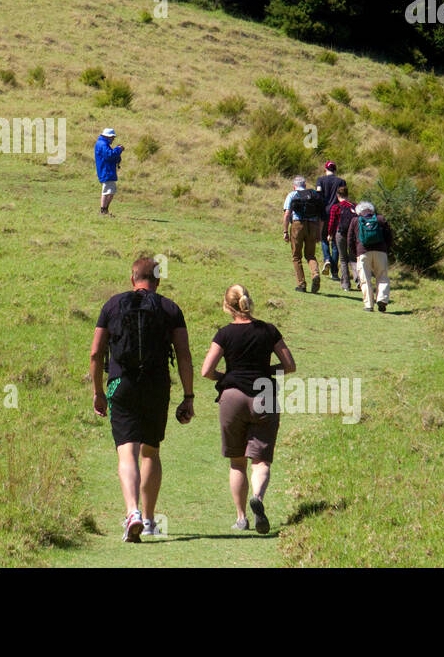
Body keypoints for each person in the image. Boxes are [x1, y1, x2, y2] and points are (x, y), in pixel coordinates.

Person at [90, 257, 195, 542]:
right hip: (156, 385)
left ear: (132, 279)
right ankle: (149, 520)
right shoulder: (170, 308)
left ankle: (132, 511)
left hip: (120, 385)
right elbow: (184, 355)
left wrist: (98, 392)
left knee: (127, 451)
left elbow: (96, 353)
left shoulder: (112, 305)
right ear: (158, 280)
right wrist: (188, 396)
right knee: (150, 451)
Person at [201, 285, 297, 534]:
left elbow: (206, 371)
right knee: (261, 460)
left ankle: (241, 517)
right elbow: (289, 366)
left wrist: (227, 375)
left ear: (227, 306)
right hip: (263, 395)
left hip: (232, 397)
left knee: (236, 462)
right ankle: (259, 499)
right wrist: (266, 371)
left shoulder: (224, 334)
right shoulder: (268, 330)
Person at [349, 200, 394, 312]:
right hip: (381, 252)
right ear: (372, 210)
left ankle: (369, 305)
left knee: (365, 279)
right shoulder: (380, 219)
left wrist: (356, 253)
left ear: (358, 212)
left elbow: (350, 239)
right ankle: (382, 299)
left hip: (363, 252)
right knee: (382, 276)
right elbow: (389, 236)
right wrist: (386, 249)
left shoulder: (355, 220)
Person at [283, 176, 325, 293]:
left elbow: (287, 214)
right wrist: (319, 233)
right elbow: (322, 217)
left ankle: (301, 284)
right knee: (310, 255)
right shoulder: (314, 195)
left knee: (296, 256)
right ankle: (315, 274)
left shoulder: (292, 195)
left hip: (297, 225)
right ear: (305, 185)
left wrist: (285, 231)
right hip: (313, 225)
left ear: (294, 186)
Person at [316, 161, 347, 277]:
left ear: (326, 169)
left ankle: (327, 259)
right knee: (335, 242)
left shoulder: (320, 180)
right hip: (338, 212)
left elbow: (318, 194)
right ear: (335, 170)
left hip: (324, 212)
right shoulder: (341, 181)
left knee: (324, 238)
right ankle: (334, 272)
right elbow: (344, 197)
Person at [327, 186, 359, 292]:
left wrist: (329, 234)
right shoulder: (355, 206)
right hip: (354, 235)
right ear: (347, 195)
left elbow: (332, 223)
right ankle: (359, 280)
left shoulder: (336, 207)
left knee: (343, 259)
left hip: (340, 234)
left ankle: (346, 284)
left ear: (337, 196)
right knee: (354, 258)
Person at [95, 128, 123, 215]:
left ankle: (104, 210)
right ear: (108, 137)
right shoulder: (103, 144)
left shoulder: (103, 143)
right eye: (112, 137)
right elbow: (109, 155)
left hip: (107, 170)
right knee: (107, 191)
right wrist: (118, 149)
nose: (113, 139)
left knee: (110, 191)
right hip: (106, 170)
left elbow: (110, 155)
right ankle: (103, 211)